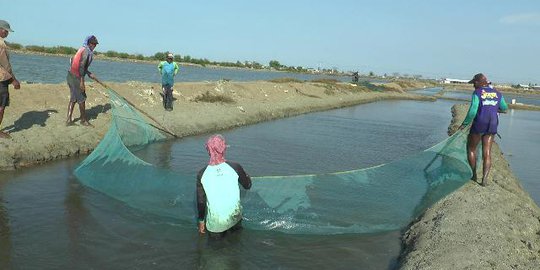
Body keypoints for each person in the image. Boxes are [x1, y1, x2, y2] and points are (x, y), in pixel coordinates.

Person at [196, 134, 252, 238]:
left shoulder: (202, 174)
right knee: (235, 247)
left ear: (208, 150)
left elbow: (201, 201)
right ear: (223, 149)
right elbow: (247, 185)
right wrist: (246, 175)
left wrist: (201, 221)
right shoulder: (235, 167)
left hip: (216, 225)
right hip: (235, 218)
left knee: (216, 252)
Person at [459, 73, 508, 187]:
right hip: (492, 125)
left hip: (479, 124)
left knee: (471, 149)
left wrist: (464, 124)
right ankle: (484, 179)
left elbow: (473, 110)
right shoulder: (497, 93)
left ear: (478, 82)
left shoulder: (477, 93)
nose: (473, 85)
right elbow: (504, 108)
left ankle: (474, 175)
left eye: (474, 83)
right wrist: (495, 109)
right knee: (487, 152)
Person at [66, 35, 99, 126]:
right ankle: (83, 120)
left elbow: (77, 64)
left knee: (73, 98)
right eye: (92, 44)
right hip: (76, 77)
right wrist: (82, 82)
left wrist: (89, 73)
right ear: (89, 43)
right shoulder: (86, 52)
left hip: (70, 75)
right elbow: (81, 67)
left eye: (95, 44)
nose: (94, 46)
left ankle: (69, 120)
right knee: (82, 98)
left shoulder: (81, 49)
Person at [0, 20, 21, 139]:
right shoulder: (2, 44)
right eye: (5, 30)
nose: (7, 33)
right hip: (1, 80)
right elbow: (6, 65)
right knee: (1, 106)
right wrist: (14, 80)